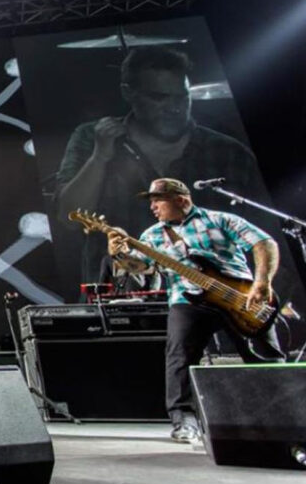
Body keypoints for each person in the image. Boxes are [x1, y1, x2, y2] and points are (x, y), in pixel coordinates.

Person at [55, 46, 262, 286]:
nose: (174, 108)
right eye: (159, 97)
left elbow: (265, 236)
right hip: (122, 299)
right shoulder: (91, 138)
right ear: (129, 93)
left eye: (181, 97)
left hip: (215, 304)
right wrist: (99, 158)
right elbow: (68, 217)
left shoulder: (229, 153)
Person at [107, 178, 284, 442]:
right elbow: (142, 268)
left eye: (158, 200)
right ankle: (184, 421)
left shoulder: (220, 219)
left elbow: (263, 243)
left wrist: (262, 282)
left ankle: (285, 411)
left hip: (241, 296)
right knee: (179, 355)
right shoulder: (151, 235)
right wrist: (120, 255)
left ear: (181, 199)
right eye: (151, 202)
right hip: (187, 298)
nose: (153, 207)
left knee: (264, 354)